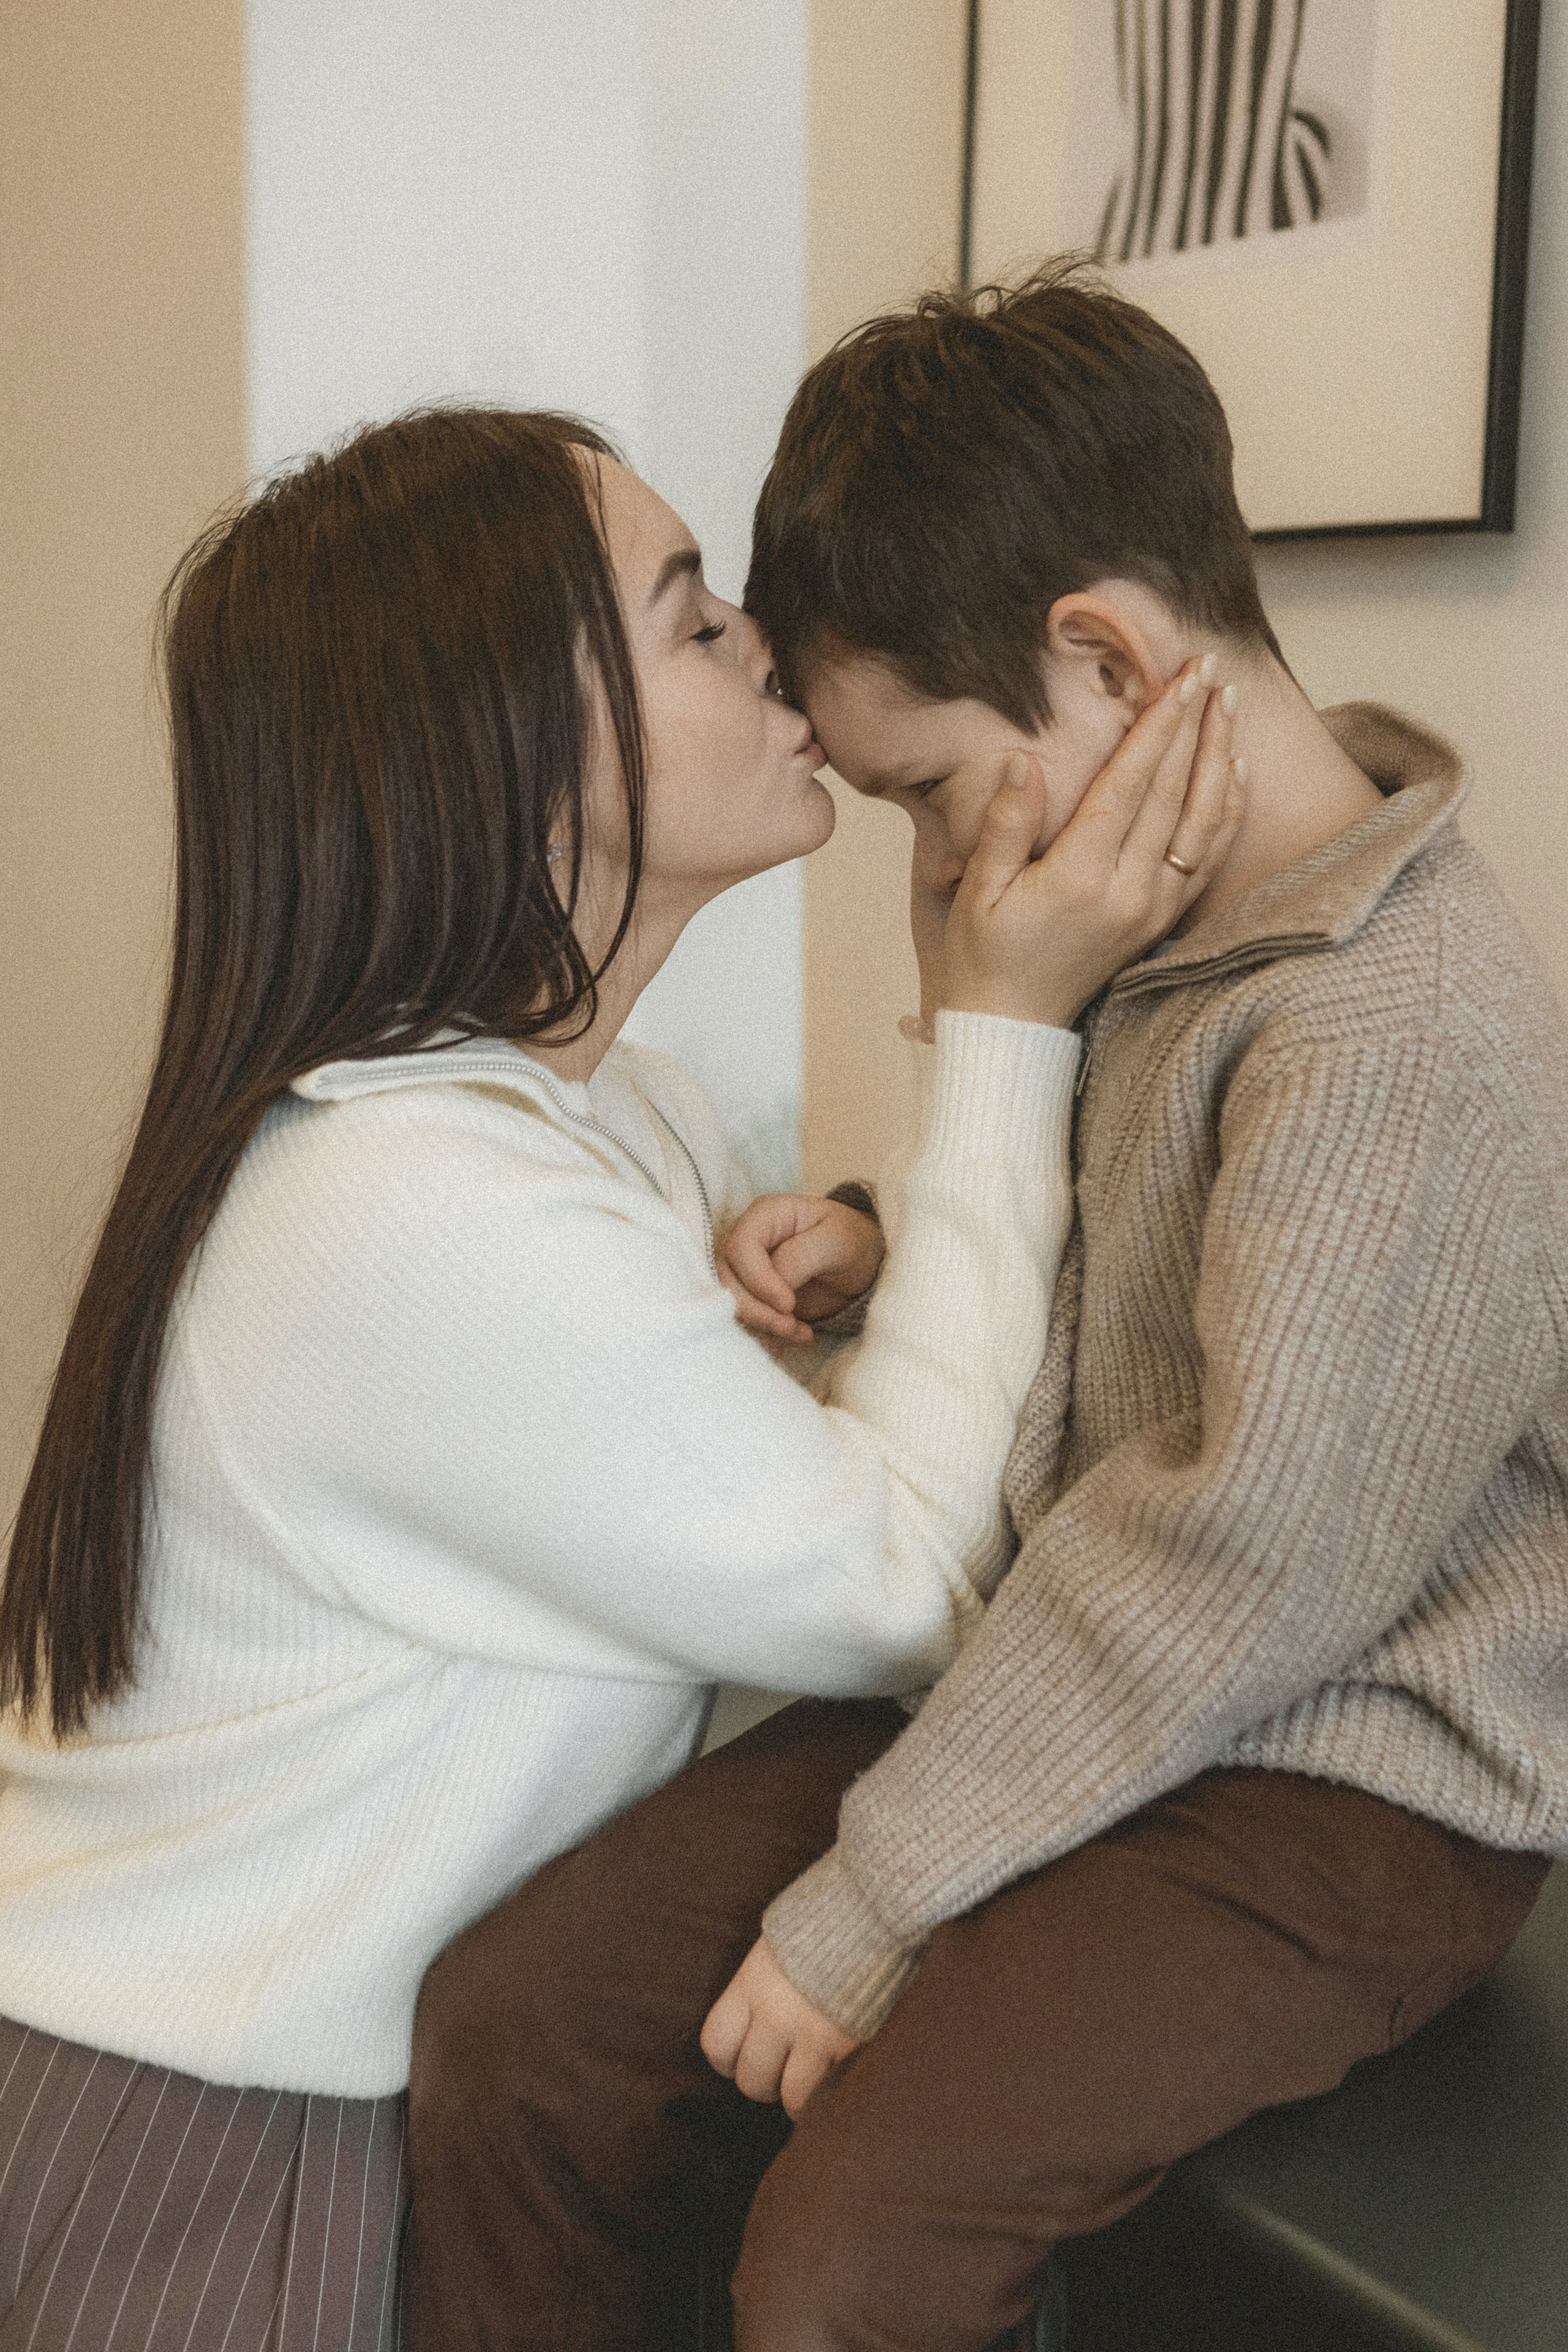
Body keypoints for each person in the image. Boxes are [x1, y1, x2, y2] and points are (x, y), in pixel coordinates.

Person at [405, 266, 1568, 2352]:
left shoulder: (1400, 1033)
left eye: (931, 792)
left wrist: (874, 1903)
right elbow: (1135, 1268)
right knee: (517, 2037)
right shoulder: (1156, 929)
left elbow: (1246, 1562)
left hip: (1341, 1781)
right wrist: (884, 1223)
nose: (938, 865)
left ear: (1106, 656)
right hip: (1074, 1679)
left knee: (860, 2253)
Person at [0, 405, 1235, 2350]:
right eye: (687, 621)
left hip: (336, 2081)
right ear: (501, 740)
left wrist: (845, 1267)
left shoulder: (588, 1121)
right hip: (222, 2137)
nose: (763, 640)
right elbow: (903, 1587)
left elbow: (747, 1523)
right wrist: (1003, 1028)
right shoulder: (413, 1206)